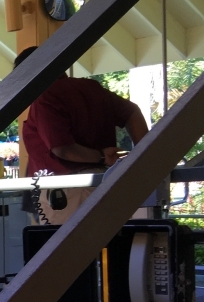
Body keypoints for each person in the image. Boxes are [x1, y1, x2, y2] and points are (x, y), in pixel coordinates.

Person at [16, 46, 148, 225]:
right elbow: (132, 112)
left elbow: (61, 148)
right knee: (110, 245)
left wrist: (101, 156)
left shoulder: (46, 97)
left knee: (70, 251)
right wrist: (143, 155)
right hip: (105, 182)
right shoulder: (90, 88)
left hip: (68, 193)